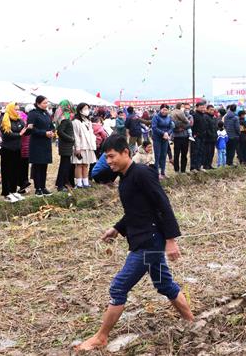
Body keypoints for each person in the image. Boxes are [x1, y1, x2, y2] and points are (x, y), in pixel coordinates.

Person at [74, 135, 193, 352]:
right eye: (106, 157)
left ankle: (101, 337)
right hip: (144, 239)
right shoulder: (126, 177)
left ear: (126, 153)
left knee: (119, 287)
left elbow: (163, 205)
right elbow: (136, 211)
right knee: (164, 284)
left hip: (149, 242)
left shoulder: (142, 174)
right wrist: (117, 229)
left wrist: (171, 240)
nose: (109, 162)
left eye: (112, 156)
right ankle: (192, 323)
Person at [26, 96, 55, 196]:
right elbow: (31, 129)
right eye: (44, 103)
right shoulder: (33, 114)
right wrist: (44, 133)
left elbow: (51, 125)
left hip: (46, 143)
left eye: (47, 103)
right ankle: (37, 188)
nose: (46, 105)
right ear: (38, 103)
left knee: (44, 166)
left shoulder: (46, 113)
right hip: (37, 143)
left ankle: (43, 187)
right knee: (37, 166)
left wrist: (52, 132)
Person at [0, 102, 27, 202]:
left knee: (15, 170)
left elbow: (24, 130)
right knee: (6, 172)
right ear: (10, 109)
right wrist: (19, 134)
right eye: (15, 109)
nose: (17, 111)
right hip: (7, 149)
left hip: (17, 148)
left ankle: (13, 191)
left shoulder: (19, 119)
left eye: (18, 109)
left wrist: (29, 128)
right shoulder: (4, 119)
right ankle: (6, 193)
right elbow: (6, 134)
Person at [71, 103, 97, 188]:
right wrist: (77, 148)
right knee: (79, 164)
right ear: (80, 110)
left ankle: (85, 182)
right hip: (81, 146)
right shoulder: (76, 122)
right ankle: (79, 183)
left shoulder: (88, 121)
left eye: (88, 108)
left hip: (88, 146)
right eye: (85, 109)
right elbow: (76, 136)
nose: (87, 110)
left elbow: (91, 134)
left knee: (86, 164)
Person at [54, 100, 76, 192]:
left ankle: (62, 183)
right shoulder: (64, 118)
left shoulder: (65, 116)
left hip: (66, 145)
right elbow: (60, 132)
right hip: (65, 145)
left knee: (65, 165)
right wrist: (71, 139)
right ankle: (60, 185)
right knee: (64, 166)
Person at [150, 104, 174, 179]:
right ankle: (156, 173)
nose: (164, 111)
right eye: (163, 109)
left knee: (163, 155)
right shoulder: (156, 117)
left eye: (166, 110)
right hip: (157, 138)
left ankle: (163, 172)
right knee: (157, 156)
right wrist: (163, 133)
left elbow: (171, 127)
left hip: (165, 138)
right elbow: (154, 127)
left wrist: (167, 133)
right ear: (160, 110)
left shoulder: (169, 117)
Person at [171, 103, 192, 173]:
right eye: (182, 107)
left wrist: (182, 127)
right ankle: (176, 170)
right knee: (176, 154)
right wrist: (178, 128)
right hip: (177, 137)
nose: (184, 109)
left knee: (184, 154)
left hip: (185, 137)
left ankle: (183, 170)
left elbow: (190, 124)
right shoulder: (174, 114)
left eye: (186, 108)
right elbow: (173, 125)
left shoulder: (189, 115)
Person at [190, 101, 207, 172]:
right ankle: (193, 167)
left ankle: (199, 166)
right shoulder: (194, 115)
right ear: (197, 107)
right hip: (196, 136)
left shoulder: (204, 115)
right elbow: (191, 126)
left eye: (204, 107)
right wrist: (193, 134)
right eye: (201, 107)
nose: (203, 109)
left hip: (202, 136)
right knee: (195, 152)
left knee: (201, 151)